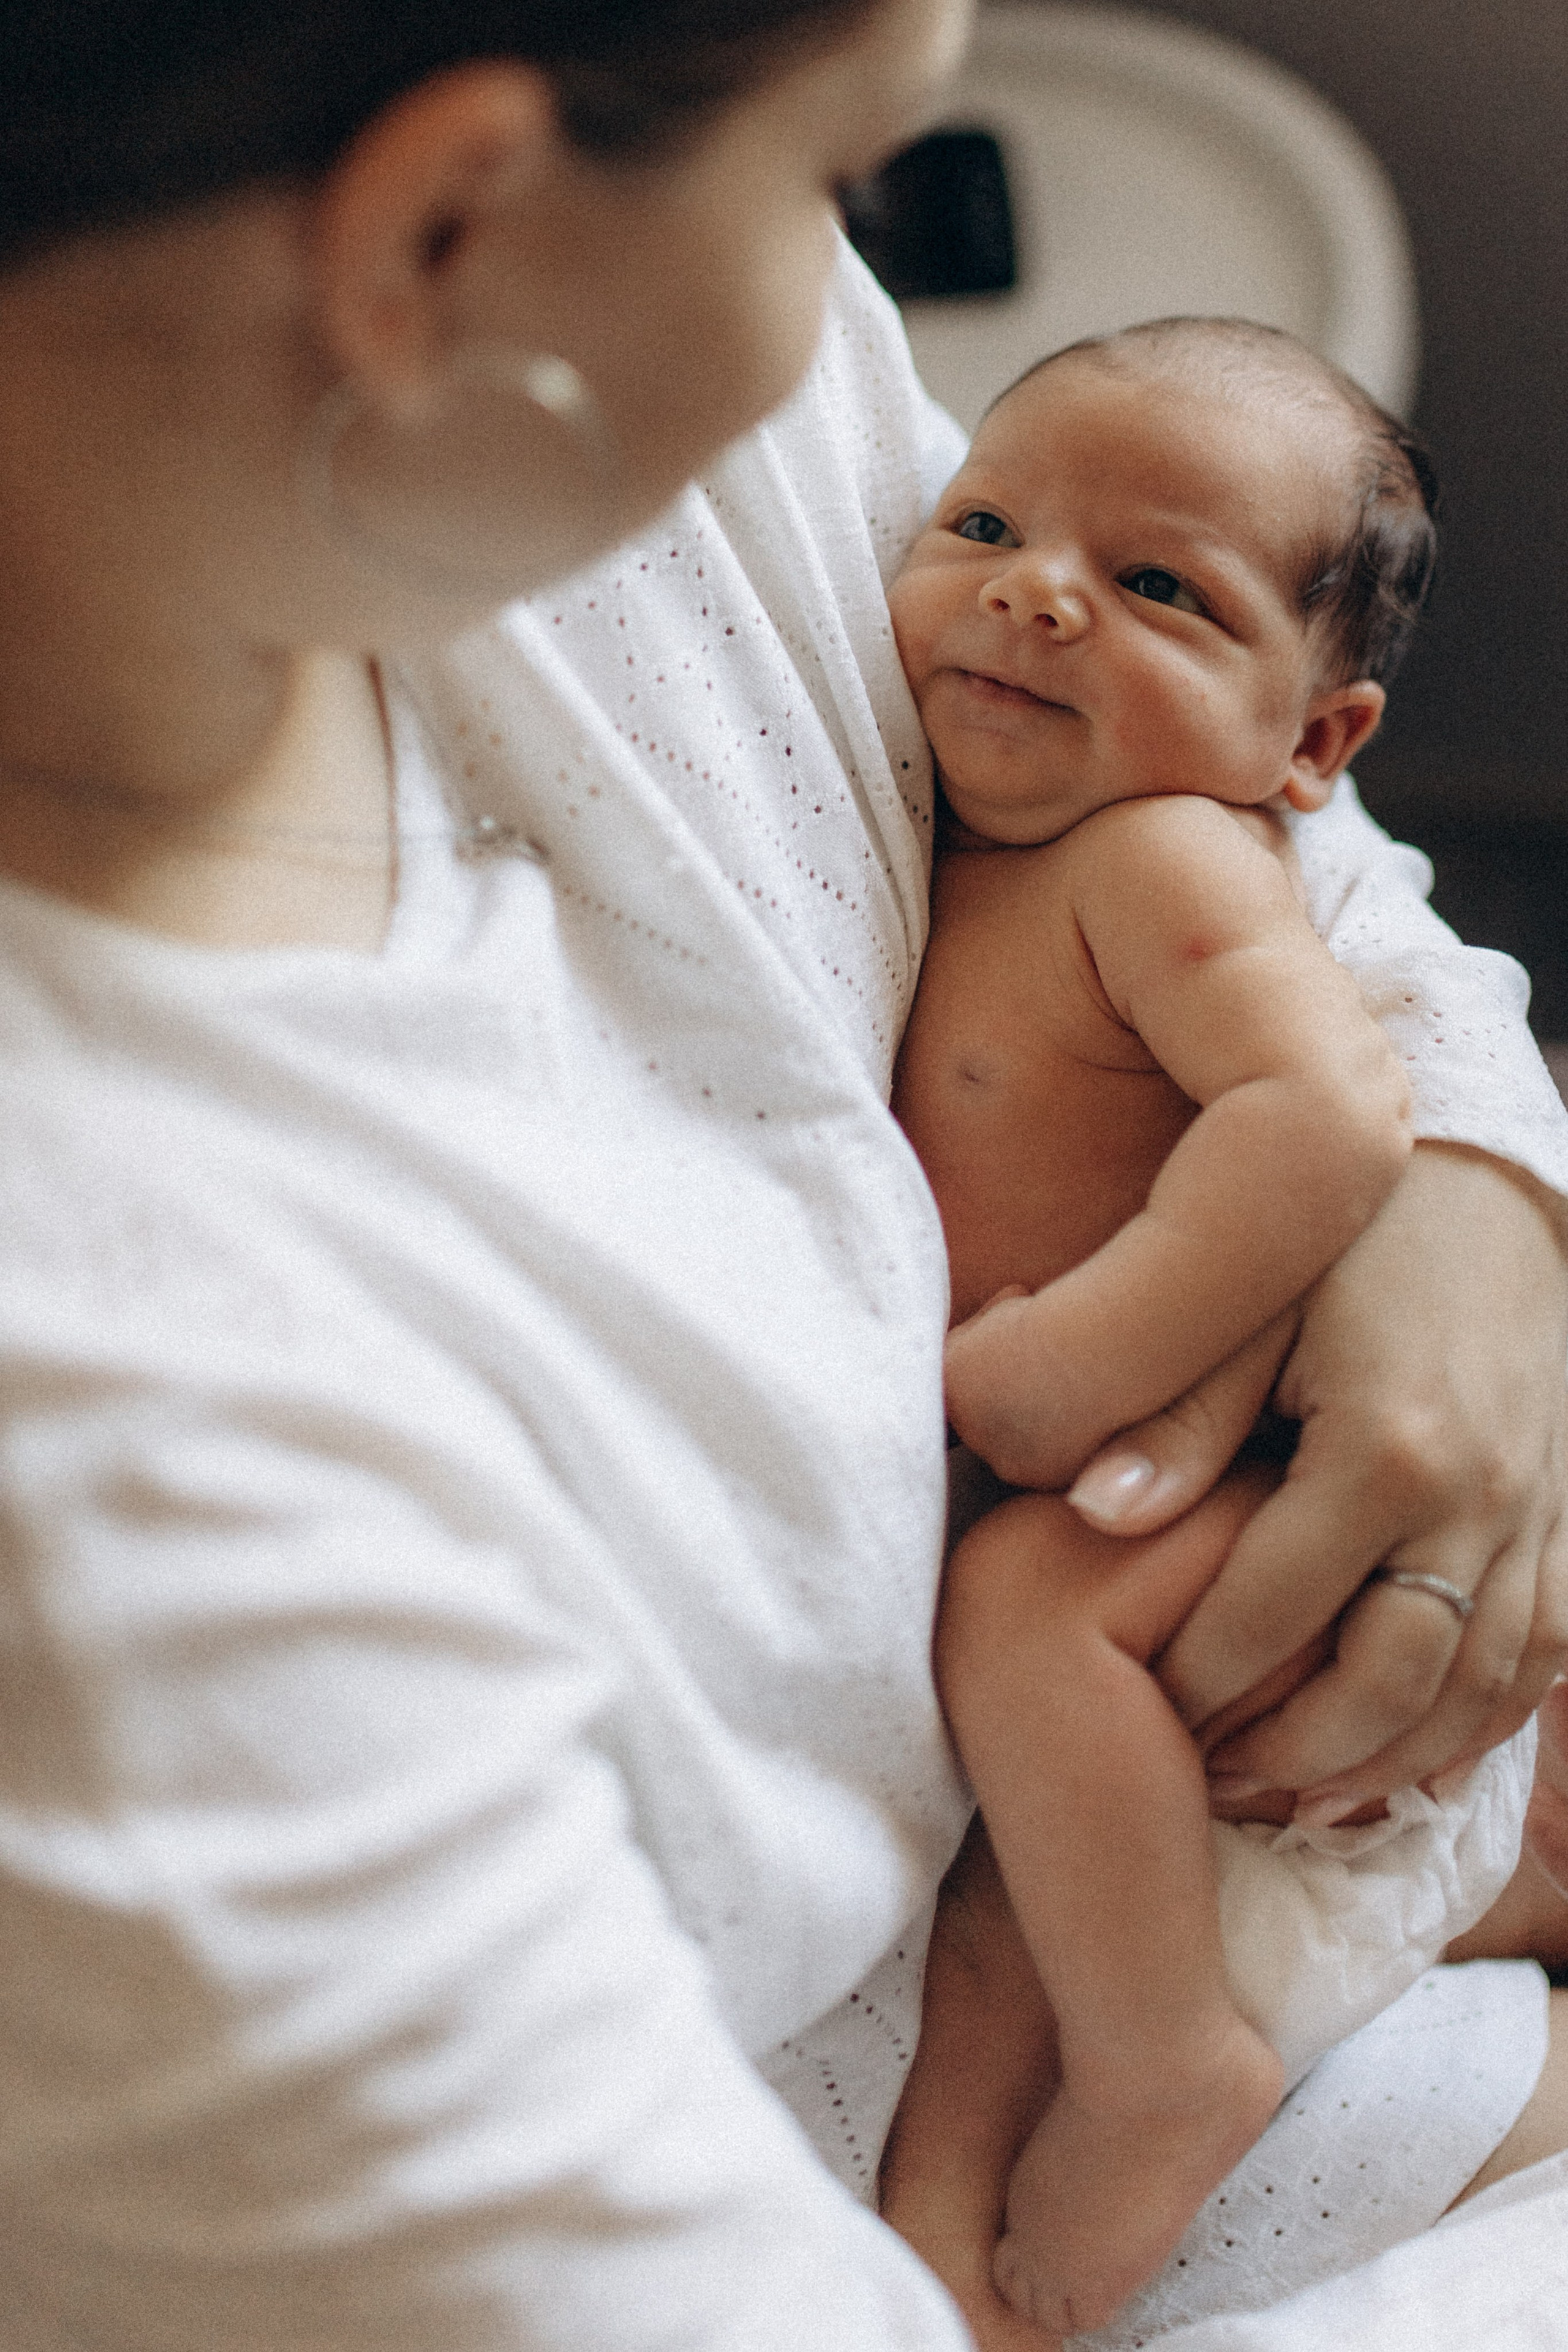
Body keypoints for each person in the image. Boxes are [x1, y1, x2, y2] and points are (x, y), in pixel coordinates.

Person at [1, 7, 1567, 2351]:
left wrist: (1477, 1200)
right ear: (443, 231)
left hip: (1234, 1768)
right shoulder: (129, 1480)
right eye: (844, 172)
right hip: (1002, 2104)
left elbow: (1277, 836)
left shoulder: (620, 466)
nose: (861, 310)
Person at [883, 319, 1537, 2340]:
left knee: (1023, 1630)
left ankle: (1173, 2067)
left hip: (1208, 1482)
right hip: (1131, 1512)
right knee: (1011, 1897)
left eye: (1159, 586)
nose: (1036, 586)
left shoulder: (1161, 852)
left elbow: (1326, 1115)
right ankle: (939, 2238)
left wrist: (1073, 1359)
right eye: (984, 519)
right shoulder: (976, 827)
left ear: (1312, 747)